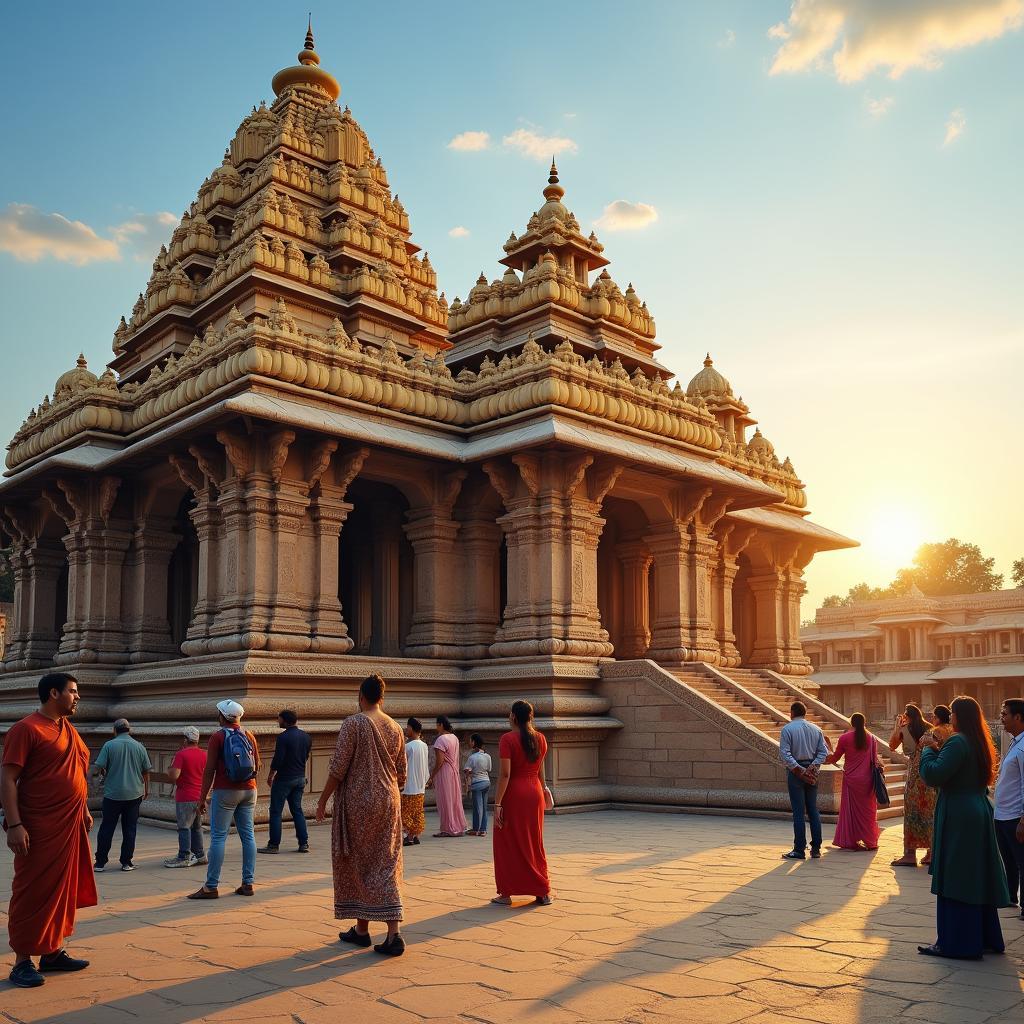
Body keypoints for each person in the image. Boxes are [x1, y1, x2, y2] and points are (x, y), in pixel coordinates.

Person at [1, 672, 96, 988]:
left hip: (68, 824)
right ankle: (21, 961)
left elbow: (77, 772)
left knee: (62, 890)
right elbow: (8, 780)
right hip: (38, 825)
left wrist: (82, 809)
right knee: (32, 890)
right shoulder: (25, 730)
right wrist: (14, 824)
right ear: (53, 693)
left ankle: (53, 952)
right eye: (72, 691)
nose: (77, 696)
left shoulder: (68, 730)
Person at [316, 674, 407, 956]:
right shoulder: (394, 727)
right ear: (382, 697)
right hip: (389, 800)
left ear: (361, 696)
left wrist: (322, 800)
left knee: (357, 861)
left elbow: (338, 767)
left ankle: (368, 929)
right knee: (385, 861)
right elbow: (401, 774)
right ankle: (379, 931)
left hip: (359, 802)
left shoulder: (353, 723)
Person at [917, 695, 1011, 959]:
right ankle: (985, 936)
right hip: (976, 808)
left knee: (958, 876)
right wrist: (939, 750)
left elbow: (933, 774)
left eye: (953, 713)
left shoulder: (958, 741)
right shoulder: (979, 739)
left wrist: (927, 749)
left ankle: (958, 941)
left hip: (959, 813)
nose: (952, 717)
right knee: (975, 874)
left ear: (960, 716)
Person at [186, 699, 260, 900]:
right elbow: (257, 766)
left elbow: (209, 770)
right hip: (249, 790)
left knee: (219, 837)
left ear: (222, 716)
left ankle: (211, 886)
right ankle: (247, 883)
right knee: (248, 836)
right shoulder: (249, 735)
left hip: (225, 790)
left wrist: (202, 798)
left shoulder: (218, 737)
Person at [492, 700, 552, 905]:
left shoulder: (507, 739)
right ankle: (541, 890)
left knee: (508, 841)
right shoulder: (541, 739)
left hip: (514, 794)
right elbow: (542, 772)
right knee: (534, 841)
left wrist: (497, 803)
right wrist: (544, 790)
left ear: (514, 717)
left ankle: (507, 892)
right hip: (534, 791)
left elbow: (506, 774)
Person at [92, 718, 153, 873]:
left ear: (115, 730)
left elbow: (99, 767)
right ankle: (126, 862)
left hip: (113, 794)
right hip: (134, 794)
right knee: (130, 829)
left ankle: (100, 863)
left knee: (107, 827)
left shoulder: (109, 745)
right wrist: (146, 789)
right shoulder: (139, 747)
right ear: (129, 730)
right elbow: (146, 771)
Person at [778, 701, 828, 860]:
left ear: (792, 713)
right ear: (805, 713)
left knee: (799, 812)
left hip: (795, 772)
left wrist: (799, 769)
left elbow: (785, 753)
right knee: (813, 810)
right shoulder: (816, 729)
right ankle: (816, 848)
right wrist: (812, 767)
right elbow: (823, 753)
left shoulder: (787, 729)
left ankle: (799, 849)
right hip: (812, 771)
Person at [824, 712, 881, 851]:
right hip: (868, 781)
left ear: (851, 723)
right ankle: (870, 841)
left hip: (851, 780)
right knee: (867, 812)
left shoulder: (845, 738)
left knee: (851, 812)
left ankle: (850, 840)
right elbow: (876, 761)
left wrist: (827, 746)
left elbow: (833, 759)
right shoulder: (872, 738)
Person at [889, 703, 936, 867]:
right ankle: (931, 853)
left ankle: (909, 854)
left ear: (906, 716)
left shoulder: (903, 729)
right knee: (929, 812)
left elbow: (891, 746)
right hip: (928, 773)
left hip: (914, 774)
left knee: (912, 812)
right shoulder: (930, 728)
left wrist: (897, 727)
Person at [259, 709, 312, 855]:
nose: (278, 721)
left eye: (279, 719)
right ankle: (304, 843)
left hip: (284, 779)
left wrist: (270, 775)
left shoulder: (283, 737)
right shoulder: (306, 737)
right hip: (300, 778)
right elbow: (305, 756)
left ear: (285, 720)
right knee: (297, 811)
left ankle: (273, 845)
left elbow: (278, 760)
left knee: (276, 811)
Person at [993, 698, 1024, 920]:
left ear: (1018, 717)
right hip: (1003, 813)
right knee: (1008, 859)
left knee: (1021, 860)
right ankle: (1011, 895)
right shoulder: (1014, 741)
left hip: (1016, 815)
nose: (1001, 718)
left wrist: (1023, 819)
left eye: (1005, 714)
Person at [163, 726, 208, 868]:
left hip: (185, 796)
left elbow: (174, 775)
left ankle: (184, 856)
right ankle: (200, 855)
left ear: (185, 739)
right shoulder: (204, 754)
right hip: (199, 795)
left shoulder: (181, 754)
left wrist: (170, 769)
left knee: (184, 827)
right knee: (197, 827)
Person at [427, 715, 466, 838]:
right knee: (454, 800)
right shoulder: (454, 738)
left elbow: (440, 761)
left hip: (444, 772)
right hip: (453, 772)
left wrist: (432, 775)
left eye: (437, 725)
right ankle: (457, 826)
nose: (436, 727)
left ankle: (447, 828)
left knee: (444, 800)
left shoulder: (441, 740)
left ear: (441, 725)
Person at [401, 718, 429, 847]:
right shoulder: (423, 745)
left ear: (412, 729)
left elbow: (403, 766)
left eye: (407, 728)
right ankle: (416, 834)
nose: (406, 730)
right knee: (417, 812)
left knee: (406, 812)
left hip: (409, 785)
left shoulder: (408, 747)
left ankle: (408, 836)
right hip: (420, 784)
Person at [464, 734, 492, 837]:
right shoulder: (487, 756)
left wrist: (468, 775)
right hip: (486, 782)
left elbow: (467, 769)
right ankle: (483, 829)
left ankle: (476, 829)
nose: (469, 742)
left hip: (477, 783)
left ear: (474, 743)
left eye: (471, 741)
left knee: (477, 807)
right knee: (484, 807)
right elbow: (489, 769)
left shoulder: (472, 757)